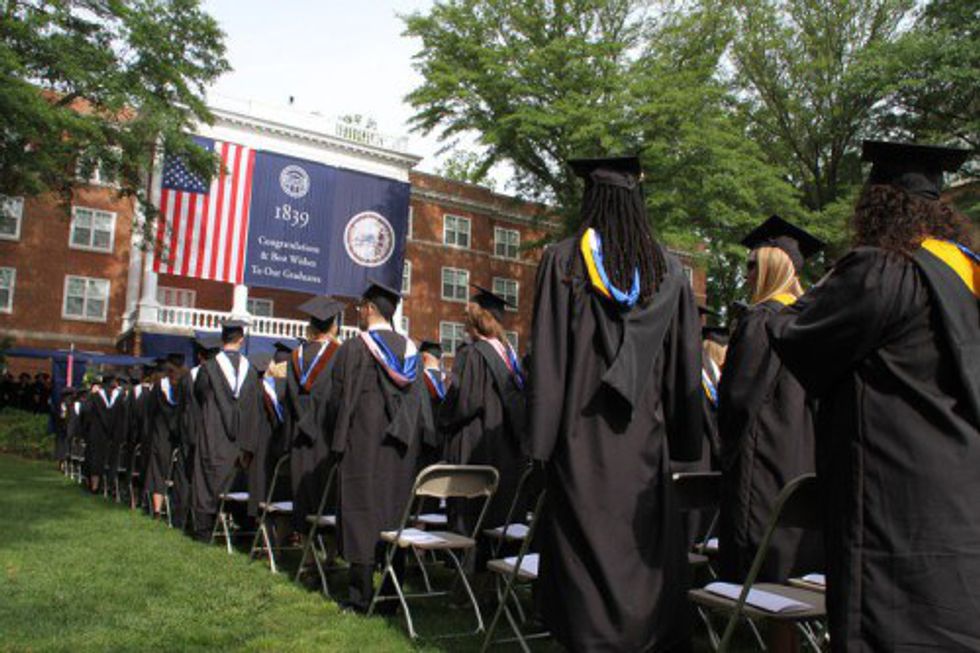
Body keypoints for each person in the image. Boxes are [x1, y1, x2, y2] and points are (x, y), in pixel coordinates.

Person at [769, 140, 978, 651]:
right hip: (962, 496)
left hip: (894, 499)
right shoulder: (967, 278)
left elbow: (796, 334)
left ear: (877, 205)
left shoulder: (885, 270)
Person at [527, 155, 703, 651]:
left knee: (582, 551)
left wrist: (541, 443)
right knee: (639, 545)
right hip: (645, 439)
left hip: (580, 439)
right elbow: (684, 364)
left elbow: (549, 356)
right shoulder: (668, 271)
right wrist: (685, 439)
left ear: (592, 199)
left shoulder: (564, 262)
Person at [717, 215, 824, 586]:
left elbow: (737, 399)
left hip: (762, 458)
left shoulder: (761, 320)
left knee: (761, 548)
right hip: (805, 451)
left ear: (770, 268)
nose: (747, 276)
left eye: (752, 265)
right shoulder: (811, 319)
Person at [325, 280, 430, 613]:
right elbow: (422, 409)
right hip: (401, 451)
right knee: (394, 513)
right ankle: (390, 594)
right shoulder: (411, 353)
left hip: (362, 446)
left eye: (360, 307)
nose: (359, 312)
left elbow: (335, 402)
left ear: (370, 309)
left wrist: (336, 437)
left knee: (360, 512)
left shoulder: (354, 348)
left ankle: (360, 596)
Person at [440, 286, 527, 542]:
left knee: (471, 517)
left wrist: (442, 417)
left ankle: (466, 562)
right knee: (498, 514)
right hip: (505, 451)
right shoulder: (509, 356)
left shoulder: (473, 354)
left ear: (476, 320)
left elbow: (463, 403)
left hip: (474, 448)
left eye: (467, 316)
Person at [190, 319, 261, 541]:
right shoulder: (251, 371)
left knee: (207, 481)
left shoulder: (209, 368)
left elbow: (199, 394)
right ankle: (241, 528)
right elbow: (254, 407)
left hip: (213, 435)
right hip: (240, 439)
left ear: (222, 339)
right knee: (237, 480)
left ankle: (204, 531)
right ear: (241, 340)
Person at [286, 297, 344, 532]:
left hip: (301, 436)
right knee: (327, 492)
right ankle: (327, 546)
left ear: (310, 326)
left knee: (303, 492)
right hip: (327, 436)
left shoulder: (295, 356)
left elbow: (290, 397)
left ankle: (305, 546)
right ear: (334, 327)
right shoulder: (339, 354)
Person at [144, 354, 185, 519]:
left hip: (161, 434)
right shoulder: (186, 384)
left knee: (158, 470)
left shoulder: (159, 387)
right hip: (182, 434)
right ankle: (179, 510)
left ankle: (157, 510)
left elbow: (150, 412)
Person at [417, 340, 447, 469]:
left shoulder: (418, 379)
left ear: (423, 357)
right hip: (445, 442)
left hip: (422, 441)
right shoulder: (450, 380)